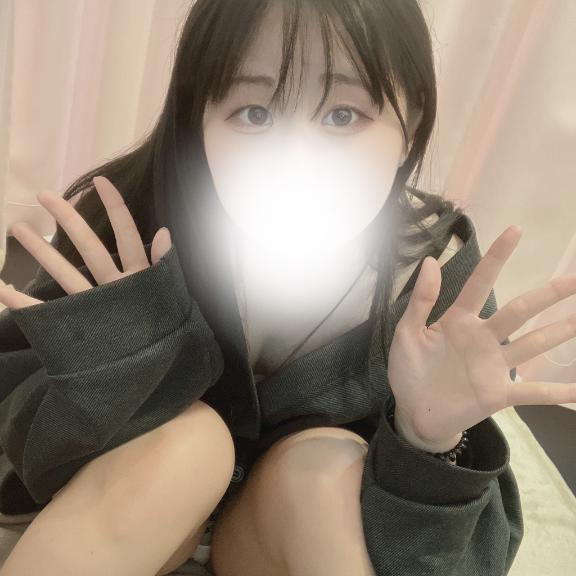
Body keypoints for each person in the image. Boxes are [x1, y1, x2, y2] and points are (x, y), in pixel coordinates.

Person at [4, 0, 575, 574]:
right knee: (189, 445)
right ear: (198, 118)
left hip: (280, 539)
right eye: (254, 113)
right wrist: (115, 370)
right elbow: (20, 455)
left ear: (412, 123)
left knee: (321, 468)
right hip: (141, 520)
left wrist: (428, 441)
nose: (295, 160)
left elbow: (443, 559)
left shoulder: (436, 283)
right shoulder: (131, 223)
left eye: (343, 115)